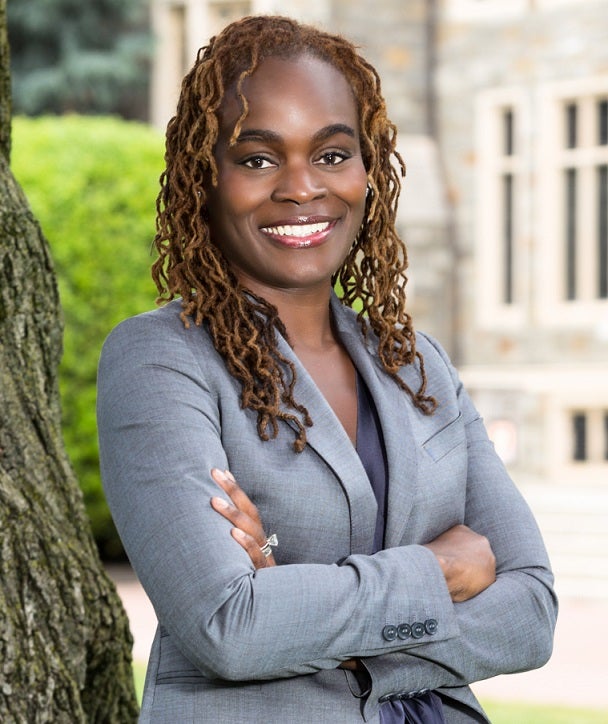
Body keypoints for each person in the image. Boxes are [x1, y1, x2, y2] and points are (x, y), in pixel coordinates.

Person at [97, 15, 557, 723]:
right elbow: (231, 627)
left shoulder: (417, 365)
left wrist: (307, 609)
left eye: (333, 154)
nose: (302, 187)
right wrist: (435, 573)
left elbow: (530, 610)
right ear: (205, 177)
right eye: (257, 159)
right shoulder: (161, 361)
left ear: (368, 170)